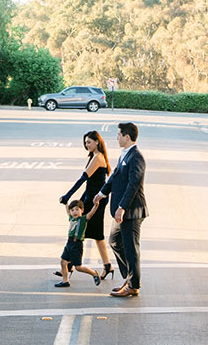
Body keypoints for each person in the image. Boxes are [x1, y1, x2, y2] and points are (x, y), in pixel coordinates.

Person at [93, 121, 147, 297]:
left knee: (131, 249)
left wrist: (122, 207)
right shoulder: (124, 154)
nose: (116, 138)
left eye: (118, 135)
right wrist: (101, 193)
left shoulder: (136, 157)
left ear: (127, 137)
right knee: (115, 241)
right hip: (121, 211)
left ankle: (133, 285)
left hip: (131, 212)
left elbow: (133, 185)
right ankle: (130, 278)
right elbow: (115, 176)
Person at [58, 130, 113, 281]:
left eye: (89, 142)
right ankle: (106, 266)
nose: (86, 145)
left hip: (96, 200)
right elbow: (89, 184)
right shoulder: (94, 156)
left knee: (87, 231)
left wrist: (68, 195)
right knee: (94, 234)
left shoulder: (98, 158)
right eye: (85, 142)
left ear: (97, 142)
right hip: (90, 197)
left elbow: (83, 179)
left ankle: (69, 265)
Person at [54, 200, 102, 288]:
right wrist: (66, 203)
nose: (74, 212)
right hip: (69, 243)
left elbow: (91, 214)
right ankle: (65, 281)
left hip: (77, 245)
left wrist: (96, 205)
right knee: (63, 262)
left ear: (82, 210)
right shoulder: (71, 218)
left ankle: (94, 273)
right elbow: (67, 211)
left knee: (78, 267)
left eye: (77, 209)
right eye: (72, 210)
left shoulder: (83, 219)